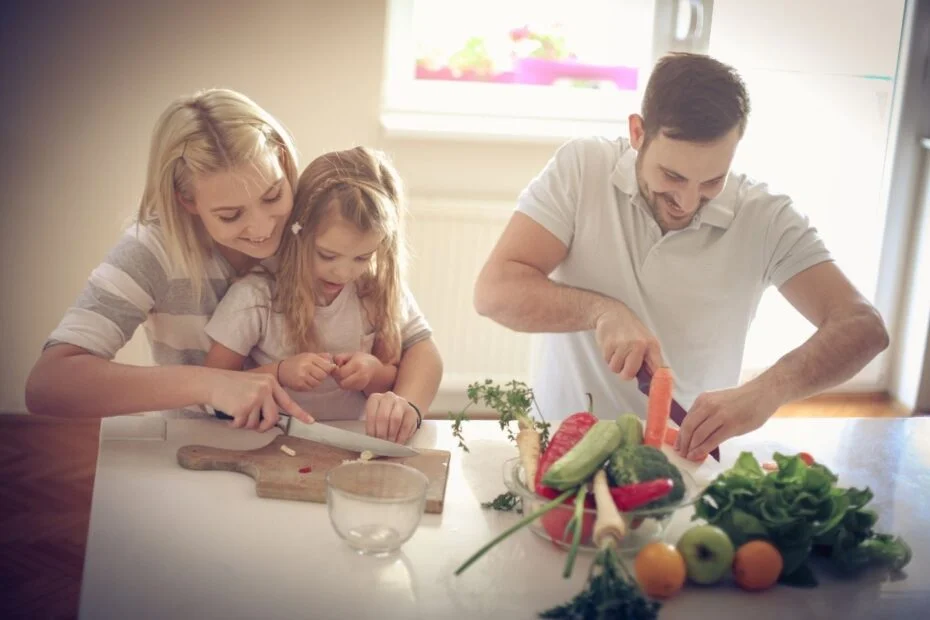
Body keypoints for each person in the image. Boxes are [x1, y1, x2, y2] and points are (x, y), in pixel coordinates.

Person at [473, 53, 889, 460]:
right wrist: (599, 311)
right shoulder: (582, 169)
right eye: (671, 176)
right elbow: (494, 291)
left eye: (712, 180)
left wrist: (769, 389)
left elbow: (863, 327)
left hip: (685, 462)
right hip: (562, 449)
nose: (687, 202)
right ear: (637, 133)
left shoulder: (766, 216)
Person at [25, 88, 313, 431]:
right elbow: (47, 384)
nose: (263, 227)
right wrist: (209, 383)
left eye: (272, 196)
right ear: (186, 202)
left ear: (282, 159)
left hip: (307, 440)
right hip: (189, 444)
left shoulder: (316, 228)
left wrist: (394, 398)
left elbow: (393, 331)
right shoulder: (152, 250)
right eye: (230, 215)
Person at [203, 146, 443, 444]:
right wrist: (279, 372)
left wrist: (379, 378)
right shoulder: (258, 296)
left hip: (349, 443)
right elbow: (212, 386)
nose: (343, 273)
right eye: (327, 255)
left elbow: (423, 355)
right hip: (265, 443)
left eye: (362, 257)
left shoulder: (372, 288)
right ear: (298, 232)